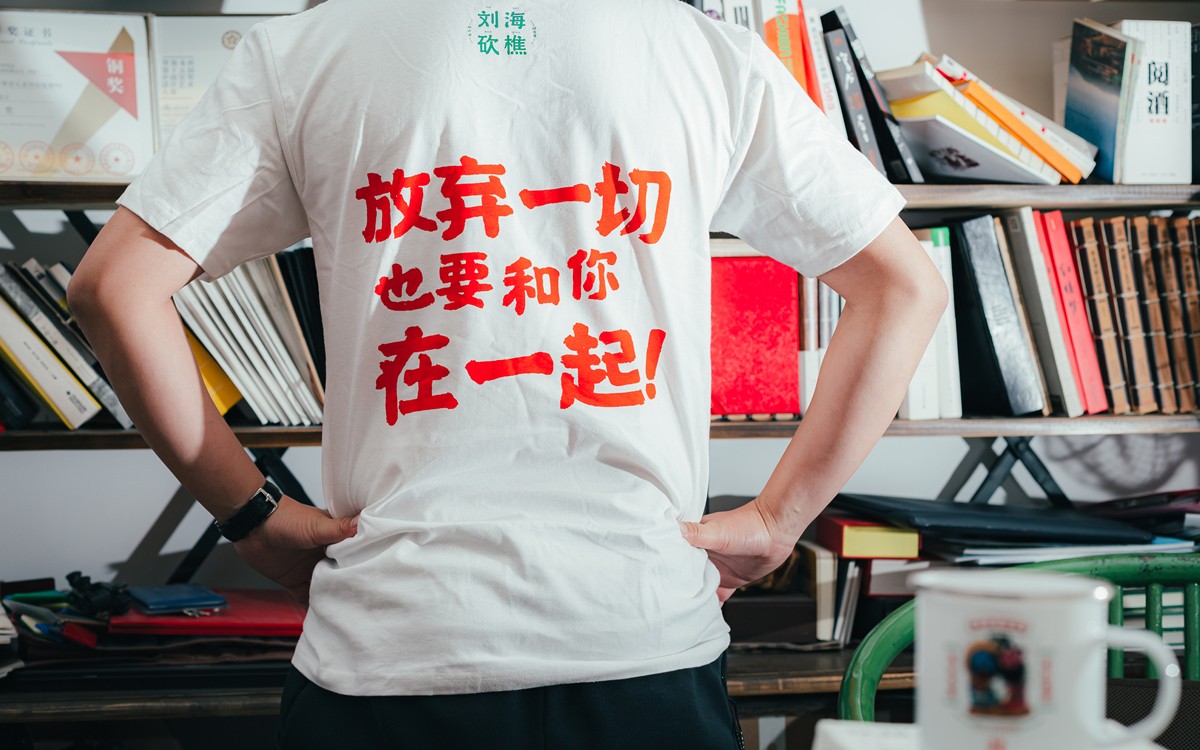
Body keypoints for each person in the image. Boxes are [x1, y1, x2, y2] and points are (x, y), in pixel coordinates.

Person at [69, 1, 946, 747]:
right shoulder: (705, 52)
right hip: (640, 642)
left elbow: (112, 289)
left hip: (389, 651)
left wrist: (254, 519)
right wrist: (777, 519)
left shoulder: (308, 48)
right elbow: (904, 288)